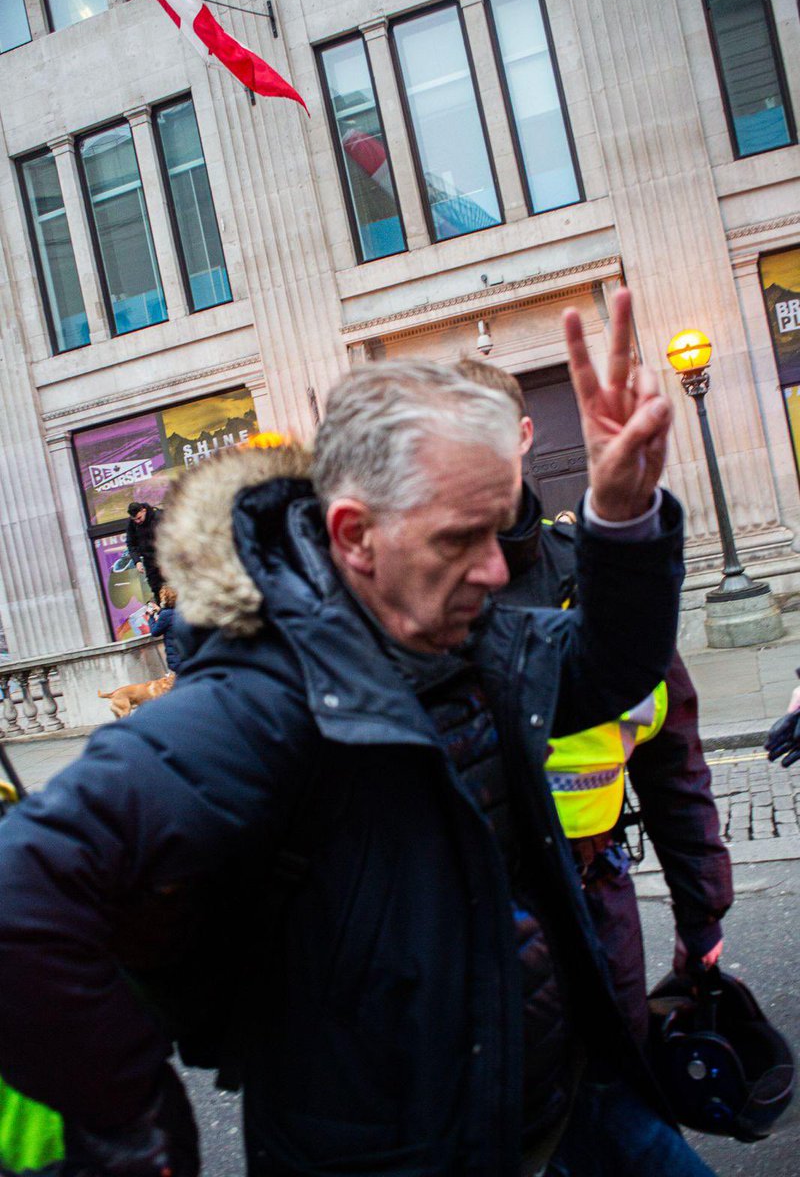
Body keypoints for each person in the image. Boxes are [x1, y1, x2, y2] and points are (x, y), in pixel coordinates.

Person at [0, 293, 711, 1176]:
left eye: (499, 531)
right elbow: (19, 893)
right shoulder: (252, 705)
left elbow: (608, 667)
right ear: (356, 537)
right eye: (463, 538)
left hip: (573, 1105)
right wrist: (135, 1134)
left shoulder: (465, 632)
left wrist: (624, 518)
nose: (497, 569)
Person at [456, 356, 733, 1044]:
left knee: (622, 1077)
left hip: (596, 898)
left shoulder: (590, 573)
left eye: (485, 432)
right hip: (473, 925)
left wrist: (701, 915)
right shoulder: (417, 595)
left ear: (524, 434)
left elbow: (674, 761)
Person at [125, 502, 164, 603]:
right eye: (135, 519)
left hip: (165, 557)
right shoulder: (132, 524)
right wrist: (137, 561)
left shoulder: (158, 516)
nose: (137, 521)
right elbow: (131, 544)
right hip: (149, 560)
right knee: (156, 588)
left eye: (139, 518)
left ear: (144, 511)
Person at [148, 587, 183, 674]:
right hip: (186, 654)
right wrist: (160, 611)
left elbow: (155, 632)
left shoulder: (165, 614)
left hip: (176, 656)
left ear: (165, 599)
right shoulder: (182, 610)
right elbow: (170, 618)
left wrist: (151, 617)